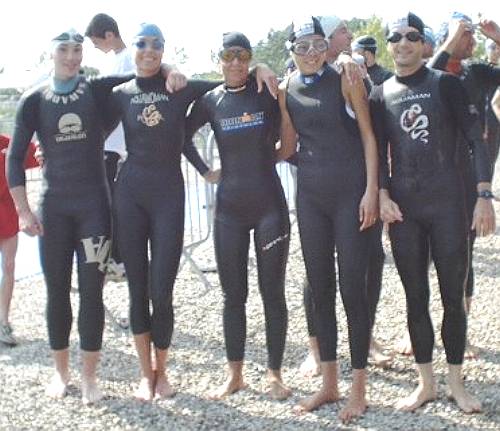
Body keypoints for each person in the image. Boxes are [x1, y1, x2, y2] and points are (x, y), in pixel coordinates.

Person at [106, 23, 279, 401]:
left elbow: (231, 80)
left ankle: (163, 372)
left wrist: (261, 66)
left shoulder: (181, 88)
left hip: (168, 196)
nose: (149, 50)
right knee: (137, 289)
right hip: (130, 194)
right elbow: (86, 125)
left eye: (157, 45)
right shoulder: (119, 92)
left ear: (163, 49)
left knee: (162, 290)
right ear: (133, 48)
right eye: (142, 44)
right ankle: (145, 374)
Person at [370, 12, 495, 413]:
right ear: (389, 45)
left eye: (412, 36)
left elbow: (476, 139)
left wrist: (483, 195)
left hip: (448, 206)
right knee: (415, 298)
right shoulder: (380, 93)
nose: (403, 43)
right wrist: (383, 195)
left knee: (452, 298)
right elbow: (378, 154)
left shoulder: (445, 84)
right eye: (396, 37)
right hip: (405, 210)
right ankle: (426, 383)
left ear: (424, 43)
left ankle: (456, 384)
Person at [7, 29, 136, 404]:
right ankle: (61, 374)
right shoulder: (33, 99)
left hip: (94, 208)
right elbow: (14, 160)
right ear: (51, 54)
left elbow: (147, 73)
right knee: (57, 293)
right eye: (63, 49)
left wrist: (172, 70)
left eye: (77, 49)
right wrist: (23, 211)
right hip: (55, 210)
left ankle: (90, 377)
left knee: (92, 293)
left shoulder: (97, 91)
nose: (71, 56)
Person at [279, 16, 379, 423]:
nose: (311, 53)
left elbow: (369, 136)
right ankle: (330, 382)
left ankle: (359, 388)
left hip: (350, 195)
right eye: (302, 47)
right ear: (291, 50)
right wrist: (241, 161)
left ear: (327, 46)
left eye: (318, 45)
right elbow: (286, 147)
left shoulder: (346, 78)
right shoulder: (286, 88)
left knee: (353, 288)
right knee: (320, 289)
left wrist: (372, 190)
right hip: (311, 199)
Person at [184, 32, 292, 401]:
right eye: (228, 56)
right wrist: (204, 171)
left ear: (250, 59)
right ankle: (235, 375)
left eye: (243, 56)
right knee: (233, 296)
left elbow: (291, 113)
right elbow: (182, 136)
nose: (235, 63)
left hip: (269, 205)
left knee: (272, 292)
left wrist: (264, 68)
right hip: (229, 208)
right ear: (219, 60)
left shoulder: (265, 91)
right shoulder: (211, 100)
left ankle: (275, 374)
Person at [298, 15, 391, 379]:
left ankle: (365, 340)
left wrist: (377, 189)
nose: (349, 36)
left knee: (369, 263)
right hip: (318, 193)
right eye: (341, 32)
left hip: (358, 186)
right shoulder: (297, 74)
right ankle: (316, 348)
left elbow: (373, 130)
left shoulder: (352, 71)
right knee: (317, 276)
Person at [426, 12, 500, 358]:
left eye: (471, 34)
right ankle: (417, 330)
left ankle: (461, 330)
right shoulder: (431, 75)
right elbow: (432, 73)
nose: (472, 40)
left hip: (470, 177)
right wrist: (451, 39)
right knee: (423, 255)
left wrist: (496, 35)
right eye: (465, 35)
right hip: (431, 178)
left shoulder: (477, 73)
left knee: (464, 254)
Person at [0, 134, 38, 346]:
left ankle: (3, 321)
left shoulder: (9, 144)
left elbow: (39, 152)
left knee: (9, 266)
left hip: (7, 213)